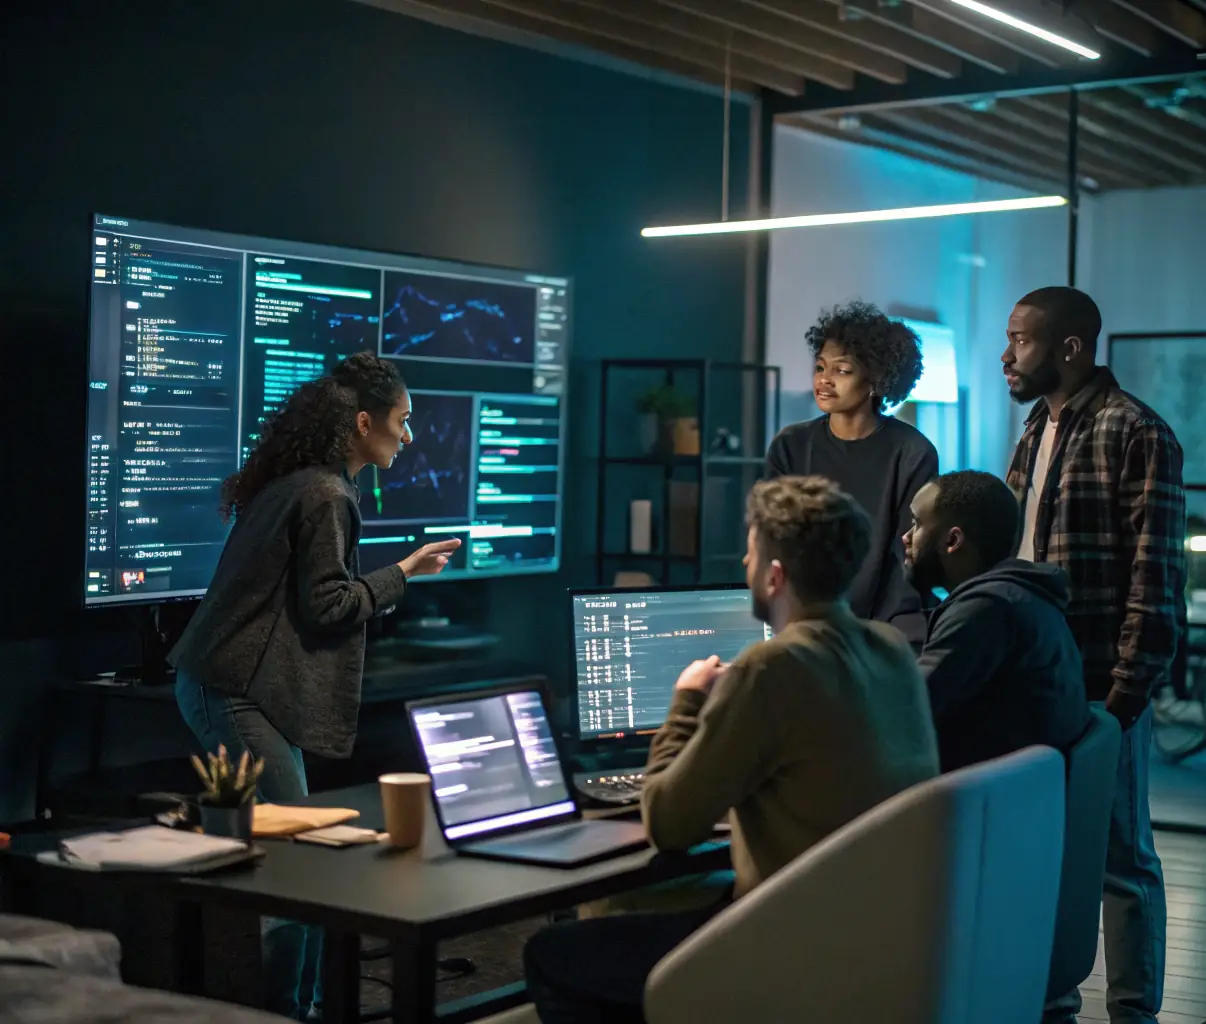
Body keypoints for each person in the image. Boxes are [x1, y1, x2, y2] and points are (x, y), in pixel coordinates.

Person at [522, 475, 940, 1023]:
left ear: (773, 575)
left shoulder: (769, 667)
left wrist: (687, 700)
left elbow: (670, 823)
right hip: (878, 939)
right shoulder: (889, 649)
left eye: (749, 554)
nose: (744, 567)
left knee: (552, 953)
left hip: (786, 948)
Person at [169, 352, 459, 1021]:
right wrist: (405, 572)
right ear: (364, 423)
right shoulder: (326, 494)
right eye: (402, 422)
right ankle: (287, 1011)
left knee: (298, 856)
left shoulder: (304, 482)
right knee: (301, 862)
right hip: (230, 689)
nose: (409, 437)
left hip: (225, 684)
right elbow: (327, 605)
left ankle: (307, 1005)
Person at [1003, 286, 1186, 1024]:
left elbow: (1155, 572)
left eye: (1019, 339)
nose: (1006, 354)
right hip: (1032, 678)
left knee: (1119, 859)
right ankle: (1052, 1006)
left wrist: (1126, 693)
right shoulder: (1032, 429)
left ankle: (1133, 1016)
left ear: (1070, 348)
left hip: (1099, 681)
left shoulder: (1136, 431)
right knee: (1046, 852)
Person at [766, 300, 938, 646]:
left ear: (876, 380)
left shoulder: (912, 452)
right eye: (820, 367)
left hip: (891, 625)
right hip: (803, 621)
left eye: (842, 370)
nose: (824, 380)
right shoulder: (792, 446)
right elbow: (775, 541)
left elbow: (909, 557)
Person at [901, 470, 1089, 773]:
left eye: (917, 523)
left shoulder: (986, 609)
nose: (906, 537)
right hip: (1014, 794)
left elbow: (906, 709)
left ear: (953, 540)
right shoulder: (1017, 595)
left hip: (981, 803)